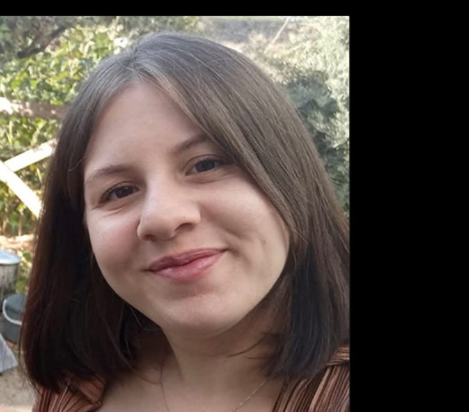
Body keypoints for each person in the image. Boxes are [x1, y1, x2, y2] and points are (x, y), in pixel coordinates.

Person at [20, 32, 349, 412]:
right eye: (119, 191)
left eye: (206, 164)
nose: (163, 217)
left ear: (289, 174)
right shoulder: (73, 386)